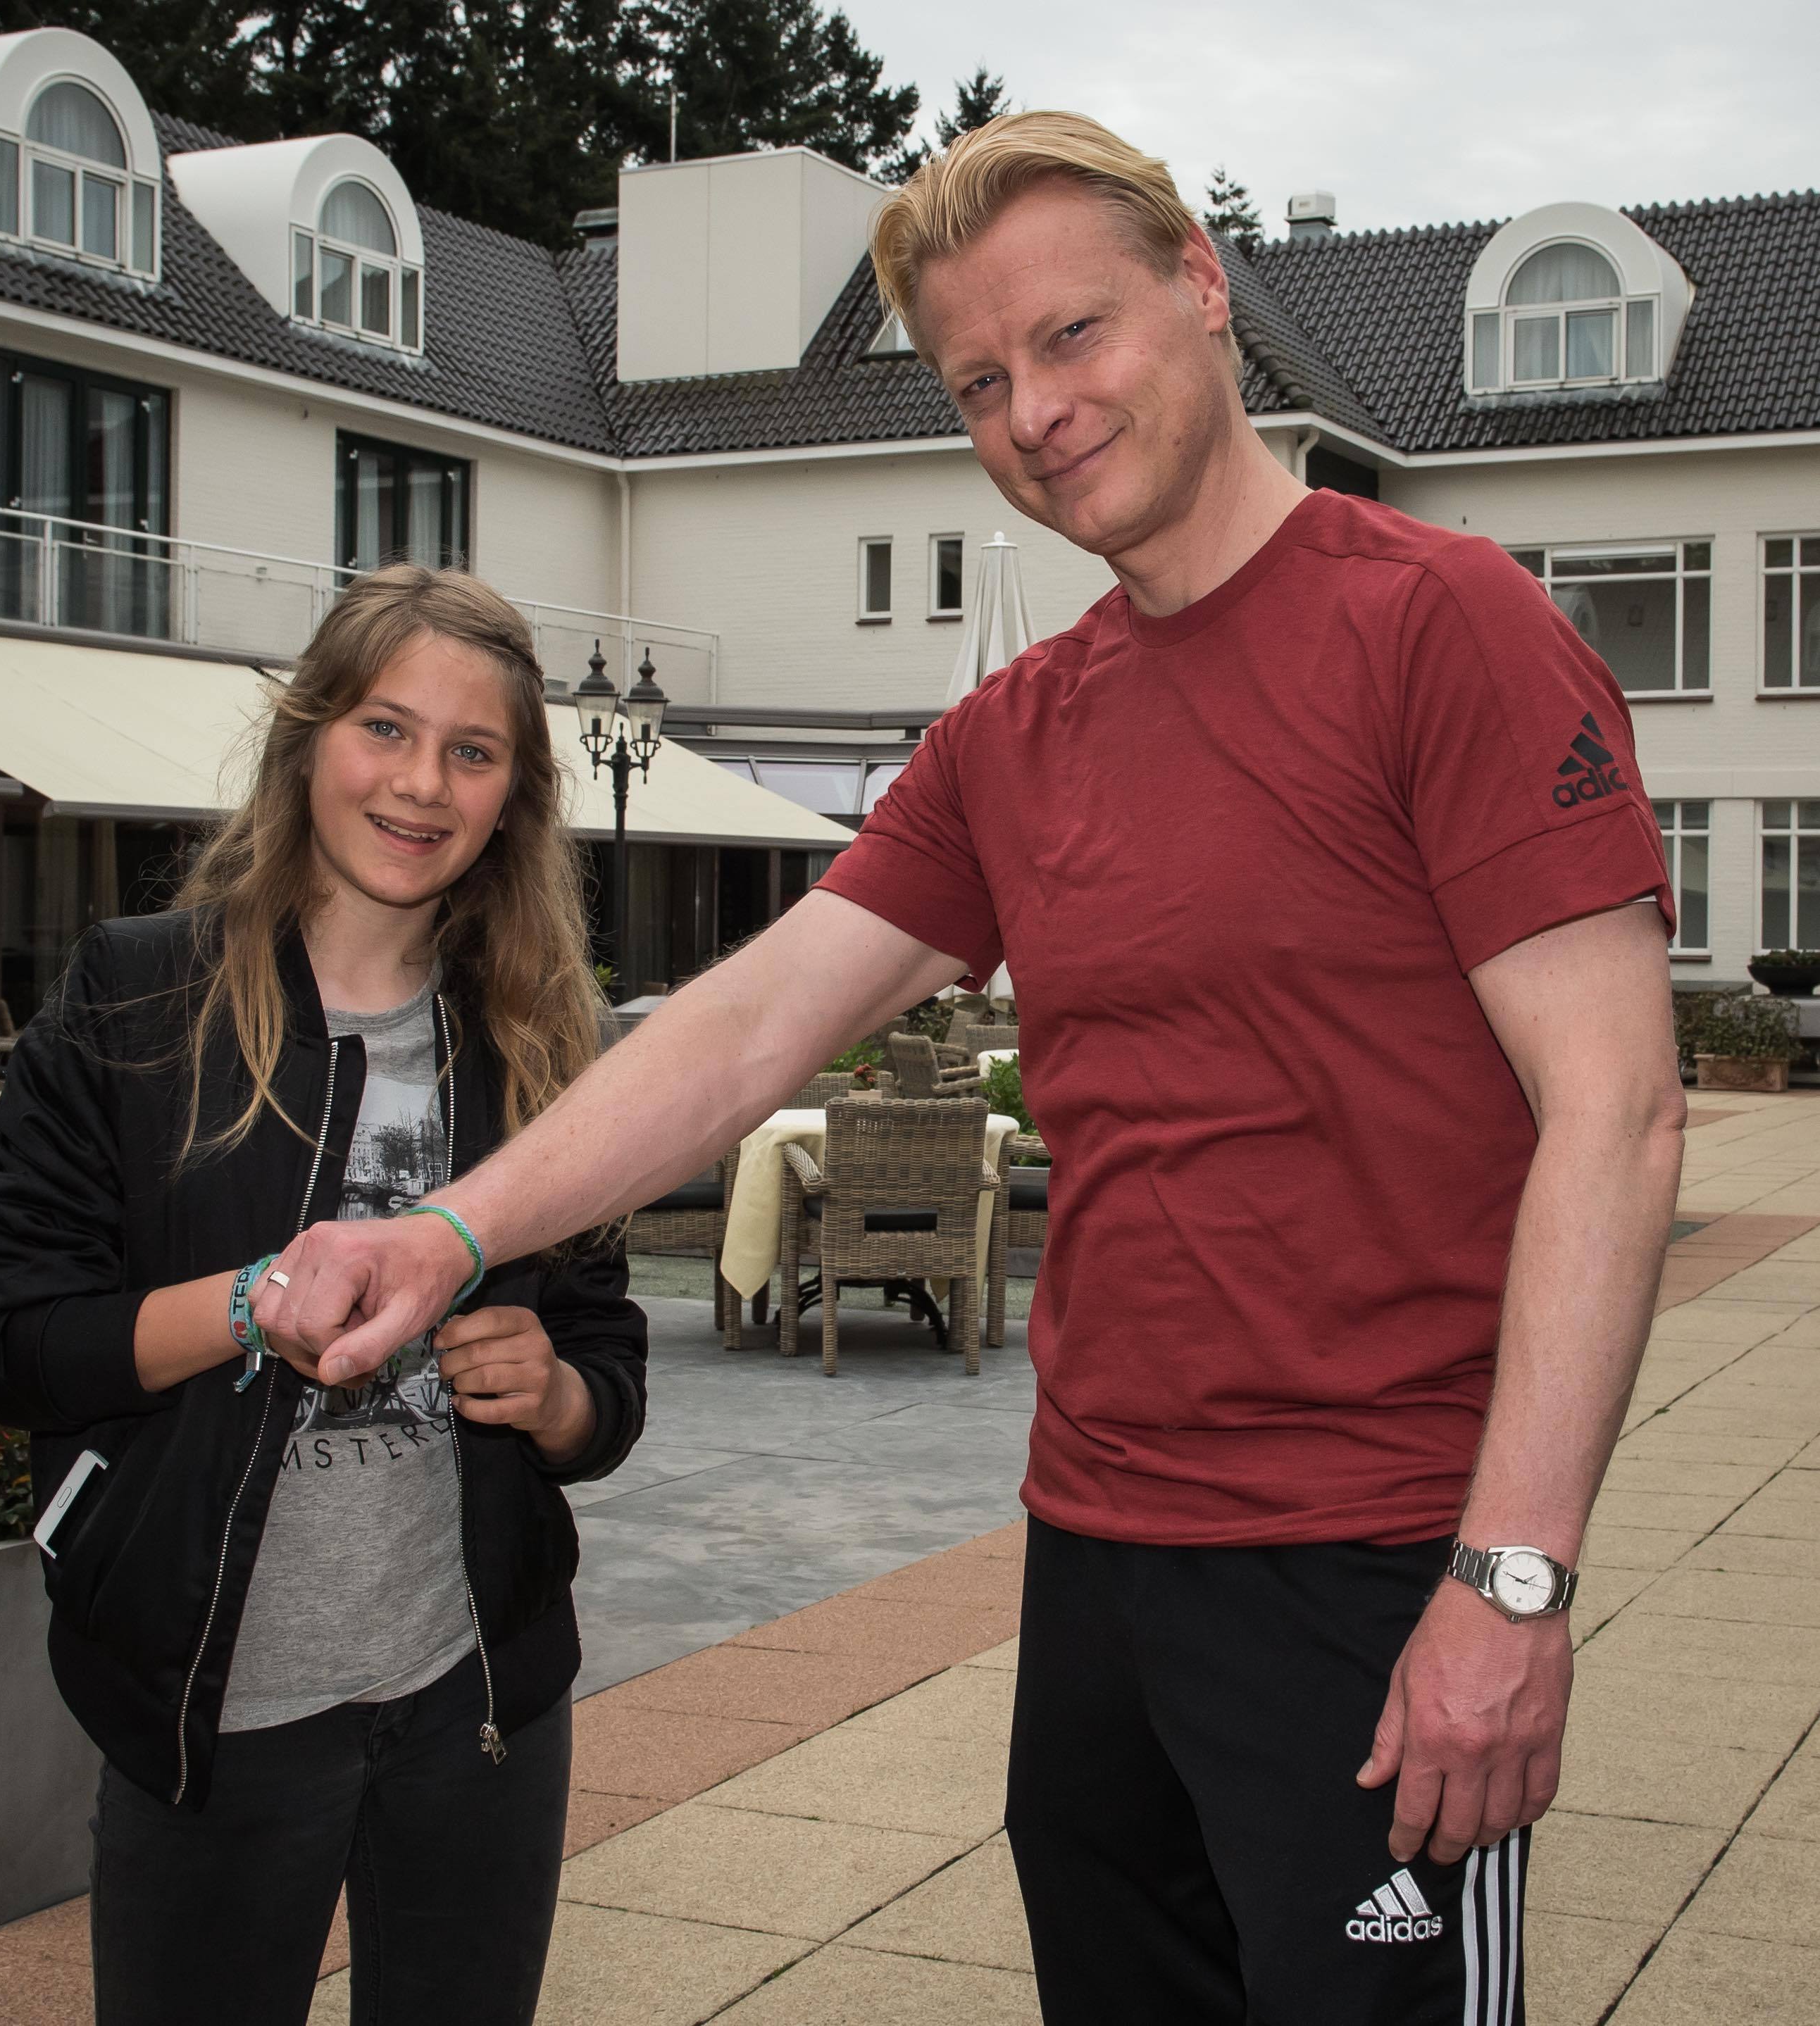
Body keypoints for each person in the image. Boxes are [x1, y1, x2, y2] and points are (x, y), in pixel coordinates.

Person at [251, 114, 1685, 2025]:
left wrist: (1508, 1578)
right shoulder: (1015, 732)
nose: (1033, 412)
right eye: (978, 383)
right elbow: (752, 1021)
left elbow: (1616, 1110)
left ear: (1199, 287)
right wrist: (443, 1231)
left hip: (1368, 1549)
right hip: (1097, 1551)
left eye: (1070, 335)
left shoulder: (1442, 626)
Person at [0, 566, 647, 2026]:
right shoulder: (139, 998)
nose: (421, 782)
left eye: (472, 750)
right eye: (385, 727)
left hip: (478, 1706)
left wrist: (561, 1396)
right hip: (213, 1709)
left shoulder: (533, 1042)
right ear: (309, 735)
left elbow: (605, 1362)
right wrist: (251, 1300)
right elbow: (12, 1342)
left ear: (512, 796)